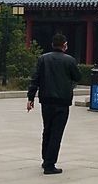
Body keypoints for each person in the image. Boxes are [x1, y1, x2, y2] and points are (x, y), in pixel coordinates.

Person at [27, 33, 81, 175]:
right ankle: (50, 164)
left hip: (46, 100)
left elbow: (35, 79)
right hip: (62, 102)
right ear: (64, 45)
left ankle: (46, 159)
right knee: (57, 133)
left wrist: (30, 97)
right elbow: (78, 76)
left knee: (47, 130)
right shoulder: (70, 60)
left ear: (52, 44)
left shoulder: (43, 59)